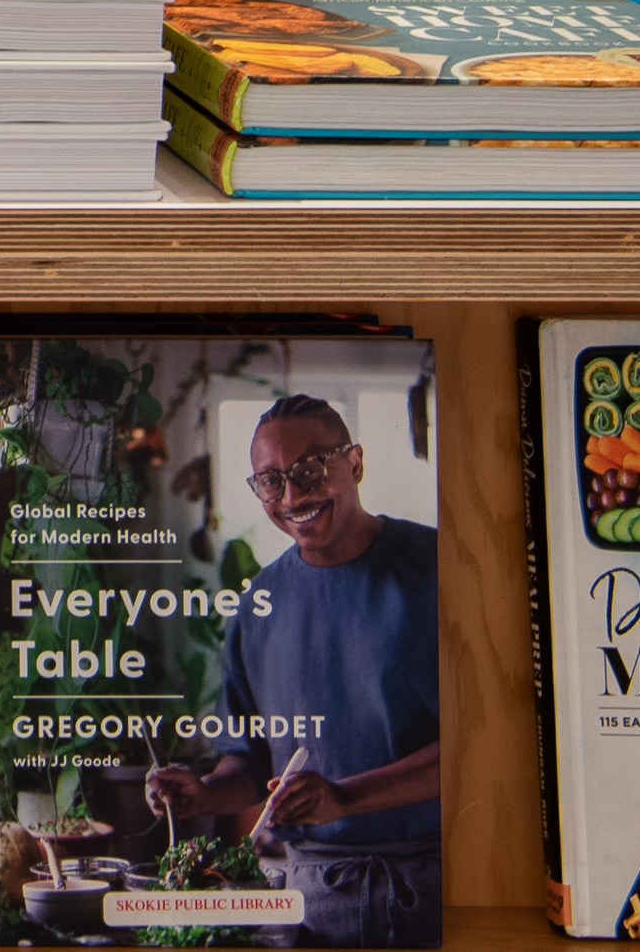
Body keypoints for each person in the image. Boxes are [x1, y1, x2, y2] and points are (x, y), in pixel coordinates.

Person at [148, 395, 439, 947]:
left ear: (354, 463)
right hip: (309, 899)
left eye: (309, 470)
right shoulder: (257, 608)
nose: (292, 496)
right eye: (270, 481)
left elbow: (478, 749)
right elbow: (253, 763)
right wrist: (203, 794)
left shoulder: (436, 566)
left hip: (433, 888)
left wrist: (346, 797)